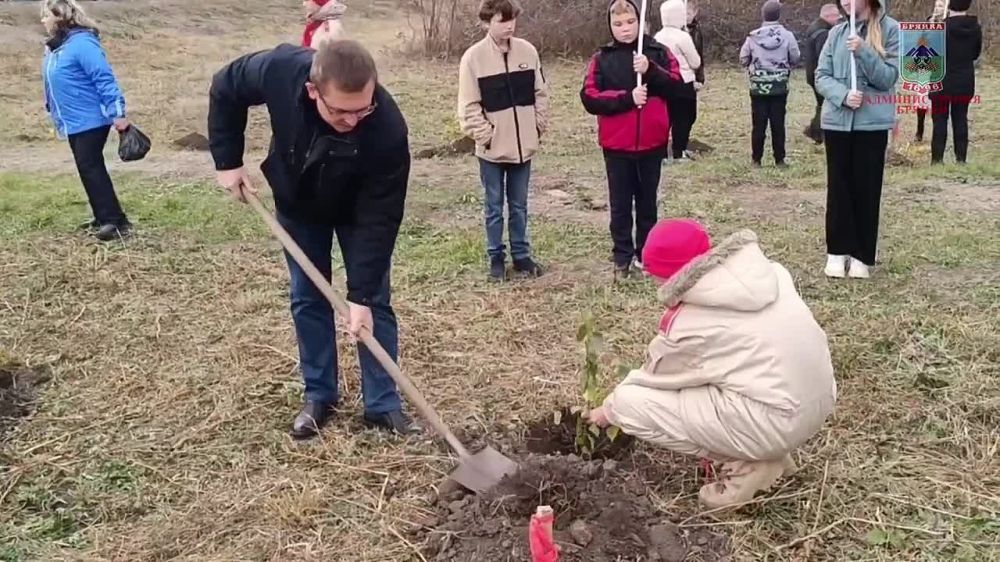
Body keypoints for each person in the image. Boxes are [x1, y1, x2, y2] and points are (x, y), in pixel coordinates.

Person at [208, 39, 419, 439]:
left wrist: (359, 294)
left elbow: (382, 215)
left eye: (363, 109)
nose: (354, 121)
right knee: (308, 296)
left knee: (373, 303)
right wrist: (228, 160)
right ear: (313, 90)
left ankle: (383, 405)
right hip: (299, 202)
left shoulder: (387, 127)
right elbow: (225, 87)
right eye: (341, 112)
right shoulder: (281, 69)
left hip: (359, 212)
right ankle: (320, 395)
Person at [588, 219, 837, 509]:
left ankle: (750, 468)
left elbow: (656, 378)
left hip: (777, 420)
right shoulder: (770, 274)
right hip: (818, 401)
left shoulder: (691, 322)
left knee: (629, 403)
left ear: (666, 275)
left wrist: (607, 410)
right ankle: (767, 450)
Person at [580, 0, 685, 280]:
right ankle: (622, 256)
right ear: (610, 27)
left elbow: (677, 86)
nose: (625, 29)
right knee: (621, 204)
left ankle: (646, 255)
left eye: (630, 23)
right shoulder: (601, 59)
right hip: (617, 146)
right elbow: (589, 97)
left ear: (639, 22)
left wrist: (650, 70)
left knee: (647, 202)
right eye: (618, 24)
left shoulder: (658, 52)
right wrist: (628, 99)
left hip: (652, 143)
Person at [457, 0, 549, 281]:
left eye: (511, 20)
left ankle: (522, 255)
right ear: (486, 22)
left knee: (519, 206)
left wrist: (537, 126)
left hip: (524, 150)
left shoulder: (528, 51)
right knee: (494, 207)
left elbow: (541, 93)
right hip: (492, 152)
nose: (508, 26)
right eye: (501, 20)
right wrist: (487, 136)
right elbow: (468, 106)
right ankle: (496, 257)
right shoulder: (473, 59)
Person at [815, 0, 899, 279]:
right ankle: (837, 251)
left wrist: (864, 52)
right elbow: (821, 76)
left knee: (866, 187)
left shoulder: (891, 30)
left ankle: (863, 254)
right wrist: (841, 95)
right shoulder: (835, 33)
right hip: (837, 122)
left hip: (871, 123)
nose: (847, 1)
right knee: (838, 188)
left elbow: (888, 78)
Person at [40, 0, 133, 242]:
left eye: (46, 16)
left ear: (60, 17)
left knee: (91, 167)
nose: (43, 21)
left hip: (91, 119)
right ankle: (103, 216)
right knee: (87, 167)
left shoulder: (83, 43)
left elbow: (104, 78)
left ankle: (115, 220)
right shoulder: (55, 47)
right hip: (72, 120)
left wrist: (118, 113)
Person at [739, 0, 800, 167]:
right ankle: (779, 159)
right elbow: (795, 57)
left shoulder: (753, 36)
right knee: (778, 123)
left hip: (759, 85)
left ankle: (756, 159)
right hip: (779, 85)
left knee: (758, 123)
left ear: (763, 15)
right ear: (779, 15)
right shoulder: (787, 36)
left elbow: (743, 59)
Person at [930, 0, 982, 164]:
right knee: (961, 119)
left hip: (941, 81)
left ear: (948, 5)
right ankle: (961, 159)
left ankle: (937, 160)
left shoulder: (940, 28)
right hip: (964, 80)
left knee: (939, 120)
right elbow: (975, 54)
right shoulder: (975, 28)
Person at [654, 0, 701, 162]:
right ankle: (678, 152)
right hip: (683, 83)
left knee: (665, 119)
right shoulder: (683, 36)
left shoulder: (657, 36)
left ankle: (661, 154)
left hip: (663, 83)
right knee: (685, 117)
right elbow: (695, 62)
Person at [803, 4, 841, 144]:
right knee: (824, 104)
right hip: (819, 75)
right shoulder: (823, 33)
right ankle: (817, 133)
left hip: (812, 73)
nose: (838, 19)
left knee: (821, 103)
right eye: (836, 16)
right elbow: (823, 56)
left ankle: (815, 130)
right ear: (828, 16)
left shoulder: (815, 27)